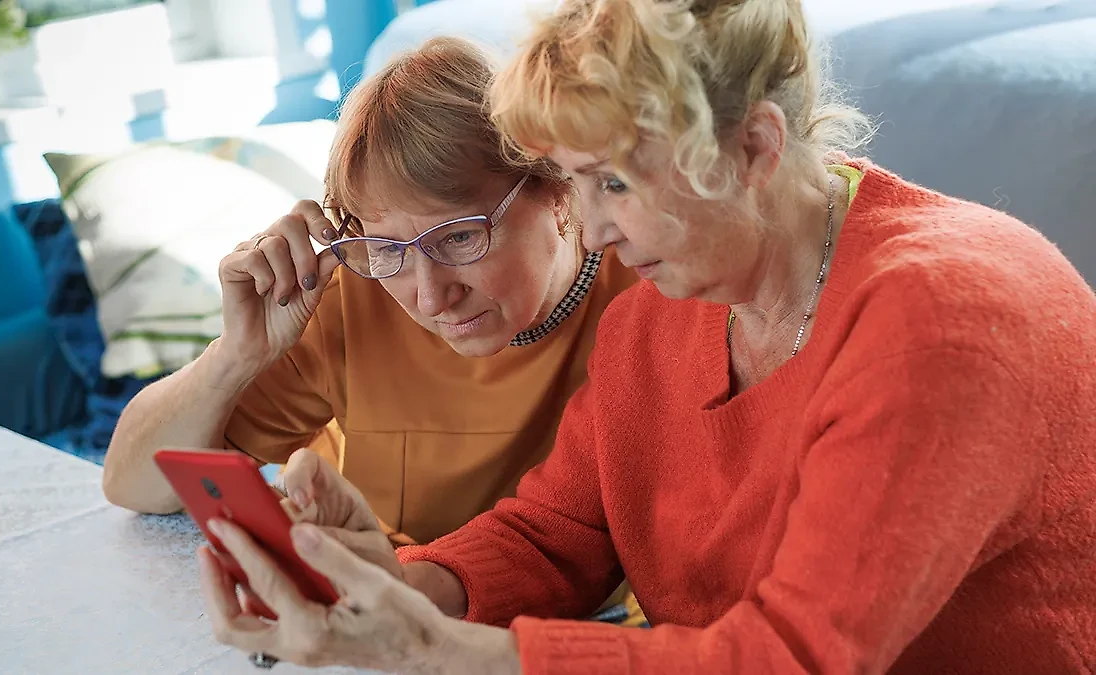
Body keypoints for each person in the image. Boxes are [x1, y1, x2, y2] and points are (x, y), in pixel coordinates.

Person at [195, 0, 1096, 673]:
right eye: (573, 182)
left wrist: (437, 648)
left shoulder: (939, 321)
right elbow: (558, 532)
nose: (589, 229)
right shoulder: (660, 310)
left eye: (614, 183)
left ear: (754, 147)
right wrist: (398, 586)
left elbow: (794, 656)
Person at [102, 36, 644, 624]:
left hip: (579, 625)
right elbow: (133, 485)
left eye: (461, 237)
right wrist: (234, 355)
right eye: (388, 249)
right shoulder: (346, 297)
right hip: (373, 609)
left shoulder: (651, 292)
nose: (430, 297)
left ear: (558, 188)